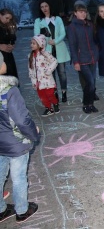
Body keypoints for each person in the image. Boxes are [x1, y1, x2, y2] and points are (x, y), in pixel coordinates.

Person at [0, 53, 41, 223]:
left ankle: (1, 210)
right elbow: (22, 120)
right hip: (16, 143)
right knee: (18, 178)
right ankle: (22, 210)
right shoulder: (9, 91)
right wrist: (34, 134)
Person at [34, 0, 70, 103]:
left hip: (59, 49)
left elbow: (63, 33)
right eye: (42, 7)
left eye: (46, 6)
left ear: (50, 7)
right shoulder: (38, 21)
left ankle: (64, 92)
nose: (44, 8)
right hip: (47, 52)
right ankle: (55, 94)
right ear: (40, 9)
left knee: (62, 73)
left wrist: (56, 41)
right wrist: (45, 39)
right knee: (51, 74)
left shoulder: (57, 19)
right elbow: (37, 36)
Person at [67, 2, 99, 114]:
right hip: (82, 60)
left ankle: (91, 104)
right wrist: (76, 61)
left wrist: (97, 52)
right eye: (80, 12)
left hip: (92, 58)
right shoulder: (72, 27)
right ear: (75, 13)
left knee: (93, 83)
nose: (83, 14)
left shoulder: (90, 25)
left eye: (85, 11)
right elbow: (72, 45)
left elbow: (95, 40)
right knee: (89, 82)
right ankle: (86, 104)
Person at [28, 34, 59, 117]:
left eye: (34, 43)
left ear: (40, 44)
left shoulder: (45, 54)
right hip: (38, 82)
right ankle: (49, 108)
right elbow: (30, 69)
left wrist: (48, 70)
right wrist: (33, 80)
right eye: (31, 43)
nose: (31, 45)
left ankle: (55, 103)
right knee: (42, 96)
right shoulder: (30, 56)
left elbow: (55, 61)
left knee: (50, 94)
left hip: (47, 80)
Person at [0, 8, 18, 79]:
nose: (8, 20)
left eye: (9, 19)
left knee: (11, 78)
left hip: (8, 56)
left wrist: (11, 45)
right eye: (6, 18)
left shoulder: (7, 26)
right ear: (0, 15)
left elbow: (12, 38)